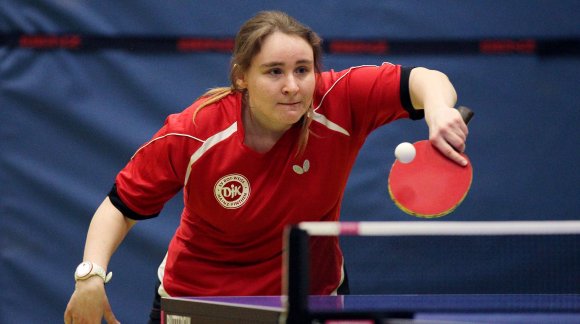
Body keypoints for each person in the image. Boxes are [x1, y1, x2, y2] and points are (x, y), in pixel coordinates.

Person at [64, 10, 469, 324]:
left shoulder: (339, 100)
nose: (292, 86)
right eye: (274, 72)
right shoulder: (194, 133)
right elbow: (120, 205)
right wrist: (90, 275)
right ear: (242, 77)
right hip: (205, 303)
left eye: (302, 70)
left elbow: (427, 79)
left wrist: (436, 110)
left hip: (310, 296)